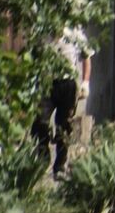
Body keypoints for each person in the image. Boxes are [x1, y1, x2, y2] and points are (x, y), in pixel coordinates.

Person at [32, 26, 88, 177]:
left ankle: (60, 164)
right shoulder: (43, 33)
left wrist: (85, 83)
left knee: (64, 126)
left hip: (67, 84)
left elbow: (87, 56)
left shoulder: (75, 33)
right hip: (47, 83)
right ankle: (43, 159)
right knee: (40, 121)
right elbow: (35, 56)